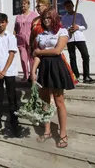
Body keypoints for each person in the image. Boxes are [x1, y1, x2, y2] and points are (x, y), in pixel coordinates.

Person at [31, 9, 75, 148]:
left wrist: (39, 51)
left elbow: (57, 50)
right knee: (45, 102)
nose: (46, 20)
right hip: (43, 68)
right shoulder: (41, 35)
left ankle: (62, 134)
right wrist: (33, 71)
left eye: (49, 17)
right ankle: (47, 131)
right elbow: (37, 56)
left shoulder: (62, 32)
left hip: (56, 66)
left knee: (59, 101)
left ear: (55, 18)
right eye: (44, 18)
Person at [62, 0, 95, 84]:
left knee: (85, 56)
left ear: (73, 6)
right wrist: (68, 30)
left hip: (80, 38)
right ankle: (75, 75)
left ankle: (86, 76)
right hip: (70, 39)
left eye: (70, 6)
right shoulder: (64, 18)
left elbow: (85, 26)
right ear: (65, 8)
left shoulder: (79, 15)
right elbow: (63, 28)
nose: (69, 7)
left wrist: (78, 27)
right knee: (72, 57)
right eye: (67, 6)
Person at [14, 0, 39, 82]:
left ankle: (33, 75)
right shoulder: (18, 17)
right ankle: (25, 75)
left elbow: (37, 27)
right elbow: (15, 28)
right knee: (23, 59)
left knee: (32, 59)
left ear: (28, 5)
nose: (23, 5)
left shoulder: (34, 15)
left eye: (25, 3)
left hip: (31, 39)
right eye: (21, 4)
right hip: (20, 40)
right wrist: (14, 36)